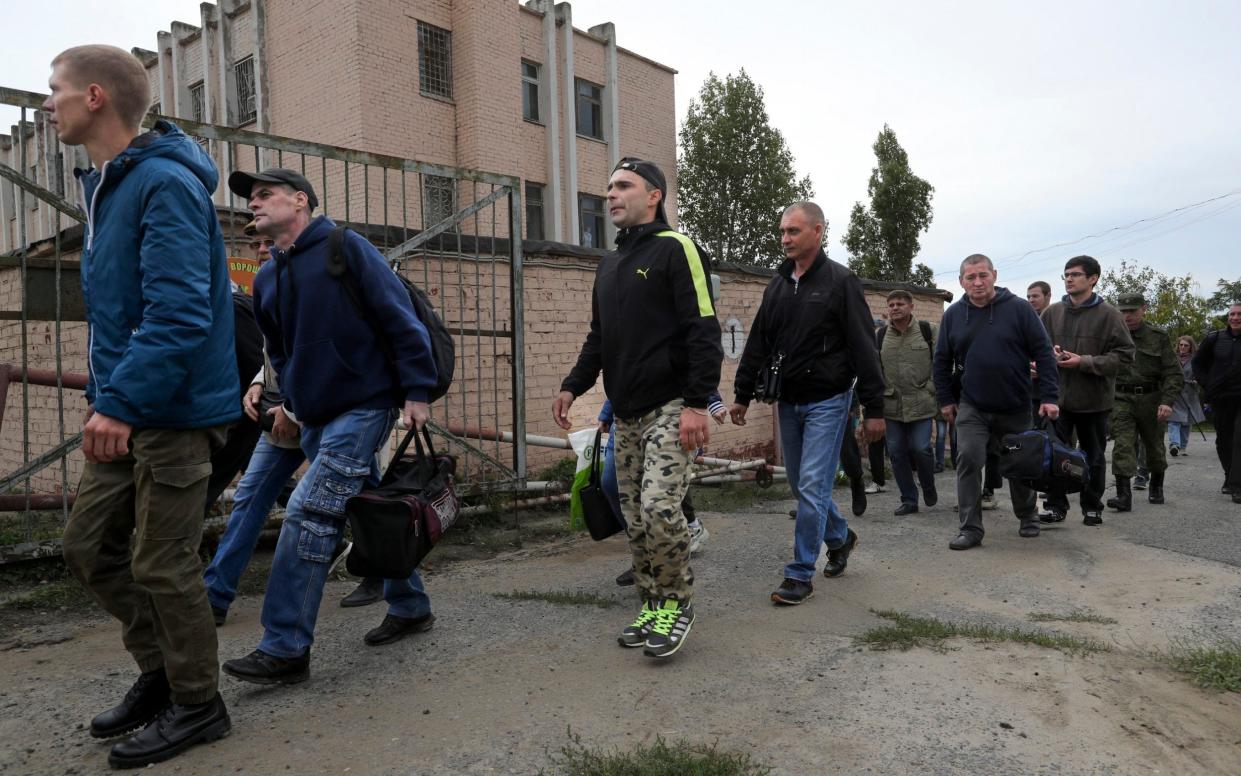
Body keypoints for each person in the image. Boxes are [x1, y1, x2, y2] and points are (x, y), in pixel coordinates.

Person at [48, 45, 239, 768]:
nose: (47, 104)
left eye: (55, 89)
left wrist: (120, 403)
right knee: (89, 547)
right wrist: (114, 399)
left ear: (94, 96)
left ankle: (199, 704)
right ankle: (162, 674)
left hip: (174, 411)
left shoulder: (163, 183)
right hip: (130, 404)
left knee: (162, 563)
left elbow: (182, 311)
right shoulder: (110, 185)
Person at [221, 168, 439, 685]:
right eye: (250, 199)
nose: (254, 204)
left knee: (306, 512)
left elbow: (399, 319)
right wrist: (290, 407)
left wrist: (416, 390)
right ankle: (410, 604)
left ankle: (285, 646)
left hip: (364, 407)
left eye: (264, 195)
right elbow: (280, 352)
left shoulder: (346, 247)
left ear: (300, 201)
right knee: (369, 512)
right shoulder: (269, 276)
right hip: (312, 416)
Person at [554, 157, 722, 659]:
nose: (611, 195)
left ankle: (676, 604)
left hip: (672, 407)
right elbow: (599, 338)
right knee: (633, 513)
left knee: (659, 506)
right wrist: (572, 385)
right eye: (608, 187)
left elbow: (703, 329)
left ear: (654, 196)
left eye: (623, 186)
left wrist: (697, 404)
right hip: (625, 413)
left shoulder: (678, 249)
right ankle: (651, 604)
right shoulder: (609, 265)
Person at [731, 202, 885, 604]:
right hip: (789, 401)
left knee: (813, 485)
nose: (785, 239)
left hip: (829, 401)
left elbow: (864, 347)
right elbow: (759, 342)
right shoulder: (778, 285)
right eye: (782, 231)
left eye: (794, 231)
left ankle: (800, 574)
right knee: (802, 486)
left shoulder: (841, 282)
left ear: (818, 231)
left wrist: (875, 408)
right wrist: (742, 394)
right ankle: (840, 537)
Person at [203, 221, 309, 627]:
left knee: (357, 501)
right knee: (249, 500)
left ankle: (400, 589)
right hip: (277, 417)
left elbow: (318, 349)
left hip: (327, 417)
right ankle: (215, 595)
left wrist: (292, 409)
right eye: (256, 244)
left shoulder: (311, 283)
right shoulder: (265, 289)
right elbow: (270, 352)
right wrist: (258, 383)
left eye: (270, 242)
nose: (262, 250)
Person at [933, 254, 1060, 550]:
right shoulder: (953, 315)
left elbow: (1043, 353)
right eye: (970, 277)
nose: (977, 282)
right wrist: (945, 400)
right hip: (972, 405)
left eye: (983, 275)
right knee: (968, 458)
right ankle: (970, 529)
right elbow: (940, 361)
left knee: (1021, 464)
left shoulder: (1018, 310)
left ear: (994, 275)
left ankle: (1028, 515)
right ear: (961, 281)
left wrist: (1051, 397)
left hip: (1015, 405)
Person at [1039, 256, 1134, 526]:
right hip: (1057, 399)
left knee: (1093, 457)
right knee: (1055, 456)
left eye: (1076, 274)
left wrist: (1085, 361)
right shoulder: (1052, 312)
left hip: (1094, 401)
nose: (1069, 279)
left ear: (1093, 279)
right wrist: (1039, 363)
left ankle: (1092, 506)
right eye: (1066, 274)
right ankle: (1055, 505)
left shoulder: (1110, 315)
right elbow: (1037, 348)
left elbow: (1126, 357)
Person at [599, 394, 724, 587]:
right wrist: (607, 412)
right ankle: (645, 554)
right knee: (611, 483)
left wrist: (710, 400)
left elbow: (699, 364)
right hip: (625, 418)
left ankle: (667, 580)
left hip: (667, 414)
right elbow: (619, 367)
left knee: (657, 498)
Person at [1105, 293, 1182, 510]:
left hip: (1151, 399)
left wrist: (1167, 402)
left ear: (1143, 309)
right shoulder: (1111, 337)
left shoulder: (1158, 337)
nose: (1127, 315)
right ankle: (1123, 495)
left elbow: (1173, 374)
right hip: (1120, 398)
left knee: (1154, 447)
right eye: (1123, 311)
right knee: (1122, 444)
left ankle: (1156, 486)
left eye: (1132, 311)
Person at [876, 290, 939, 515]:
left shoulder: (927, 330)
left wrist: (932, 387)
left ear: (911, 307)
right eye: (891, 304)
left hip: (921, 401)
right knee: (896, 452)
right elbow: (876, 369)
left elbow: (941, 361)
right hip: (892, 405)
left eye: (900, 304)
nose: (895, 308)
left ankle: (928, 485)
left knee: (921, 448)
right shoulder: (881, 336)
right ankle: (909, 499)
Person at [1192, 302, 1241, 503]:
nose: (1235, 318)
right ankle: (1230, 477)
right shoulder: (1214, 338)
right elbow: (1197, 363)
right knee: (1224, 441)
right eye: (1232, 314)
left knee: (1240, 439)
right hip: (1221, 398)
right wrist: (1207, 384)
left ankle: (1238, 485)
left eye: (1239, 314)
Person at [1168, 335, 1204, 456]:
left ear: (1191, 347)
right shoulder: (1172, 358)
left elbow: (1201, 374)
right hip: (1175, 393)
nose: (1182, 347)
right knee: (1173, 420)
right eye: (1181, 345)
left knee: (1186, 423)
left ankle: (1182, 447)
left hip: (1190, 394)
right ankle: (1174, 444)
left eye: (1186, 345)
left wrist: (1197, 380)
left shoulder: (1196, 359)